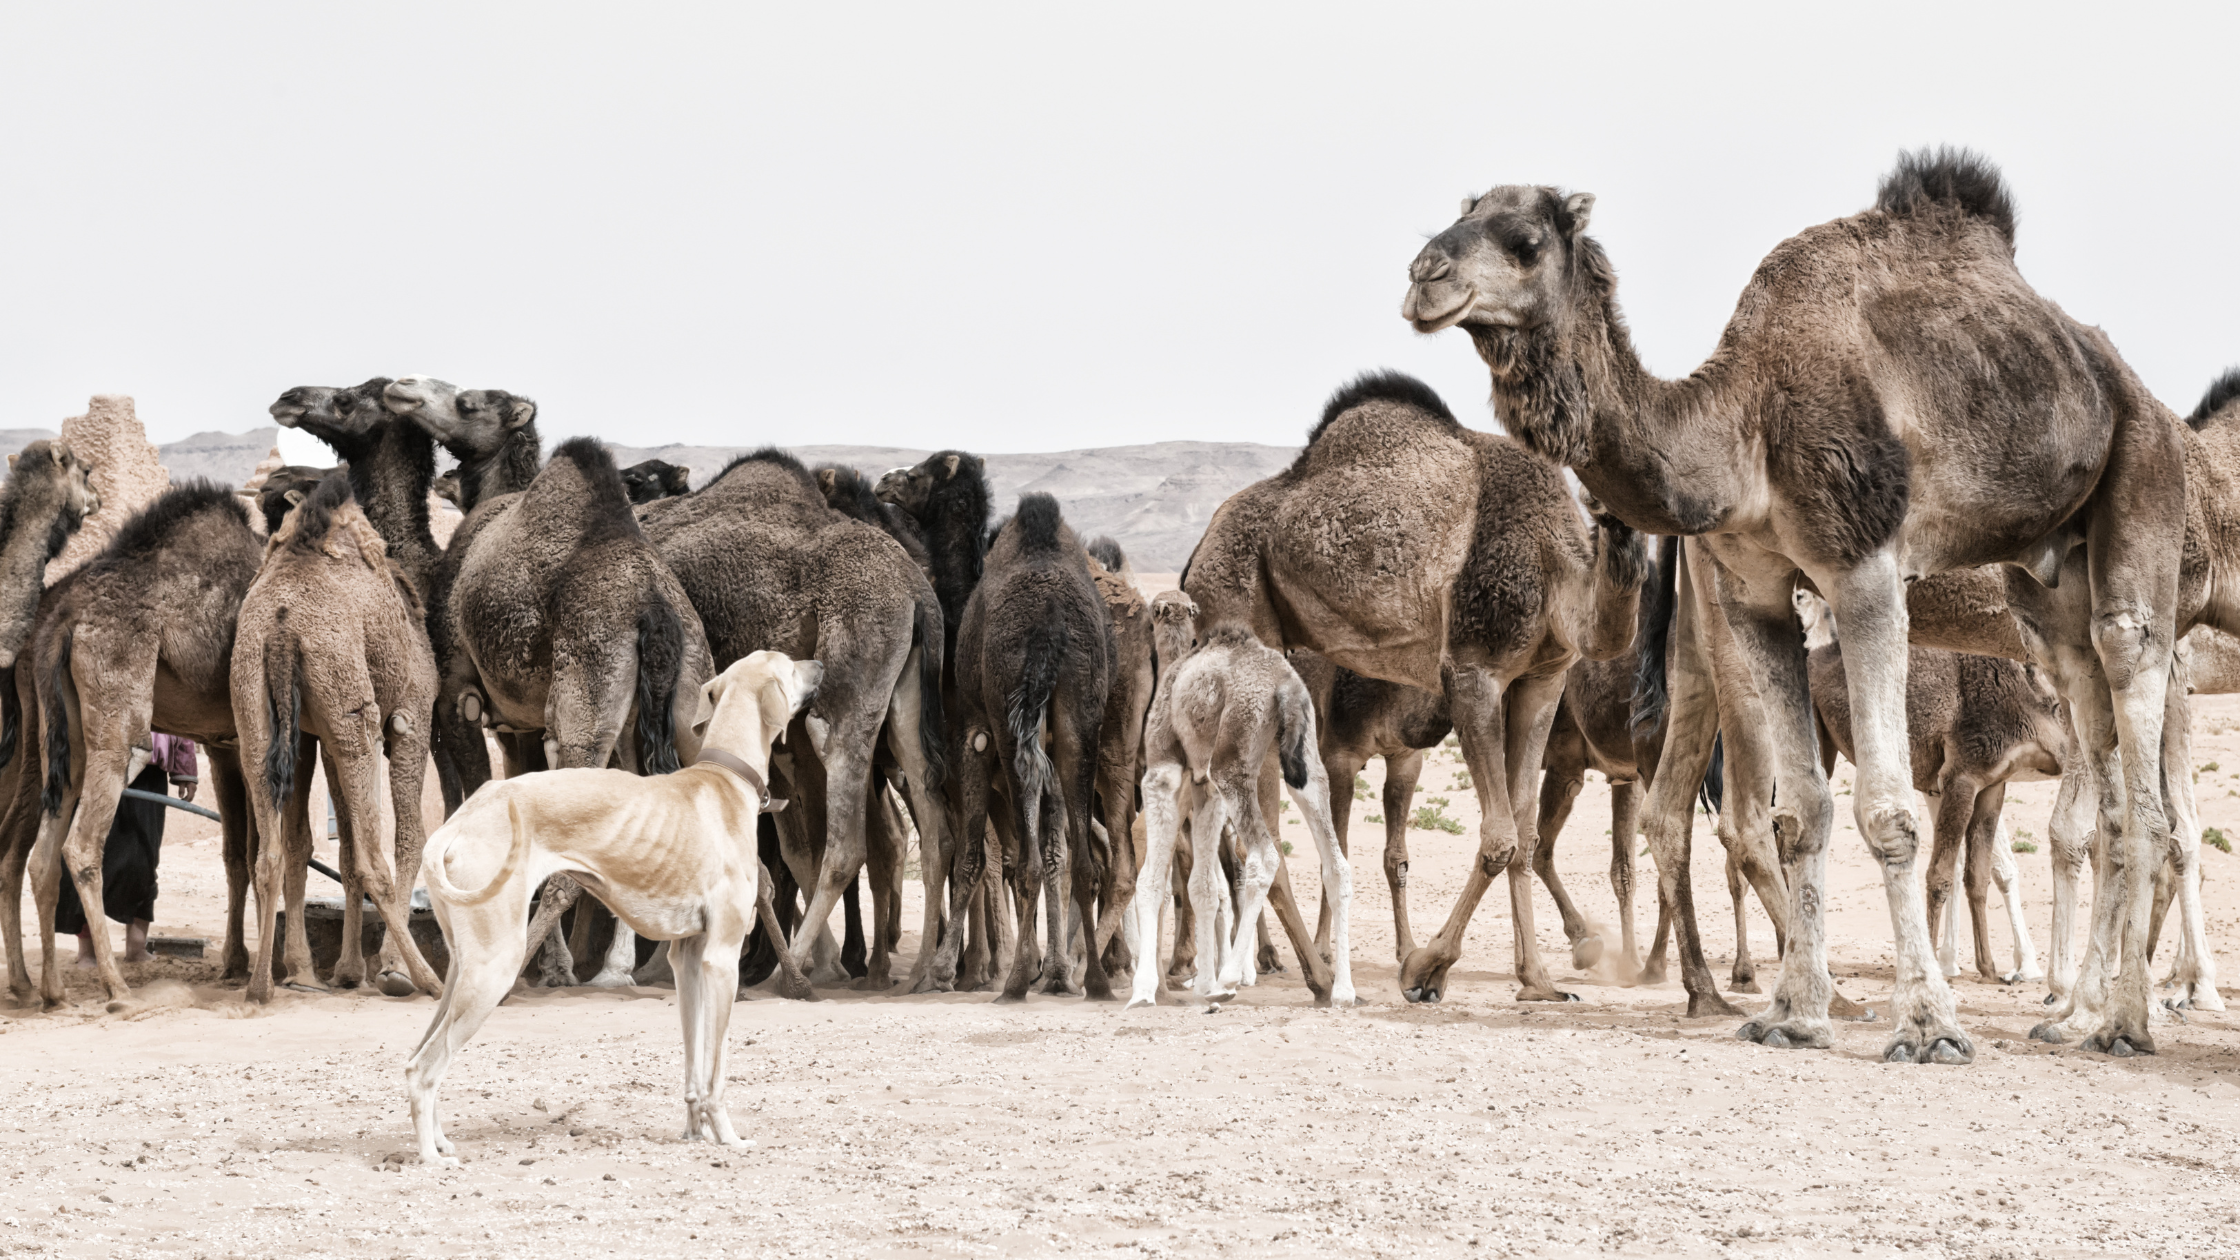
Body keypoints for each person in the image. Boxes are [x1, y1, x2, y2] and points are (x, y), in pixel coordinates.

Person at [58, 734, 197, 967]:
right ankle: (87, 952)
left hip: (148, 770)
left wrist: (186, 769)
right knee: (85, 858)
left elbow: (178, 712)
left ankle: (136, 948)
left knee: (142, 860)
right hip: (94, 764)